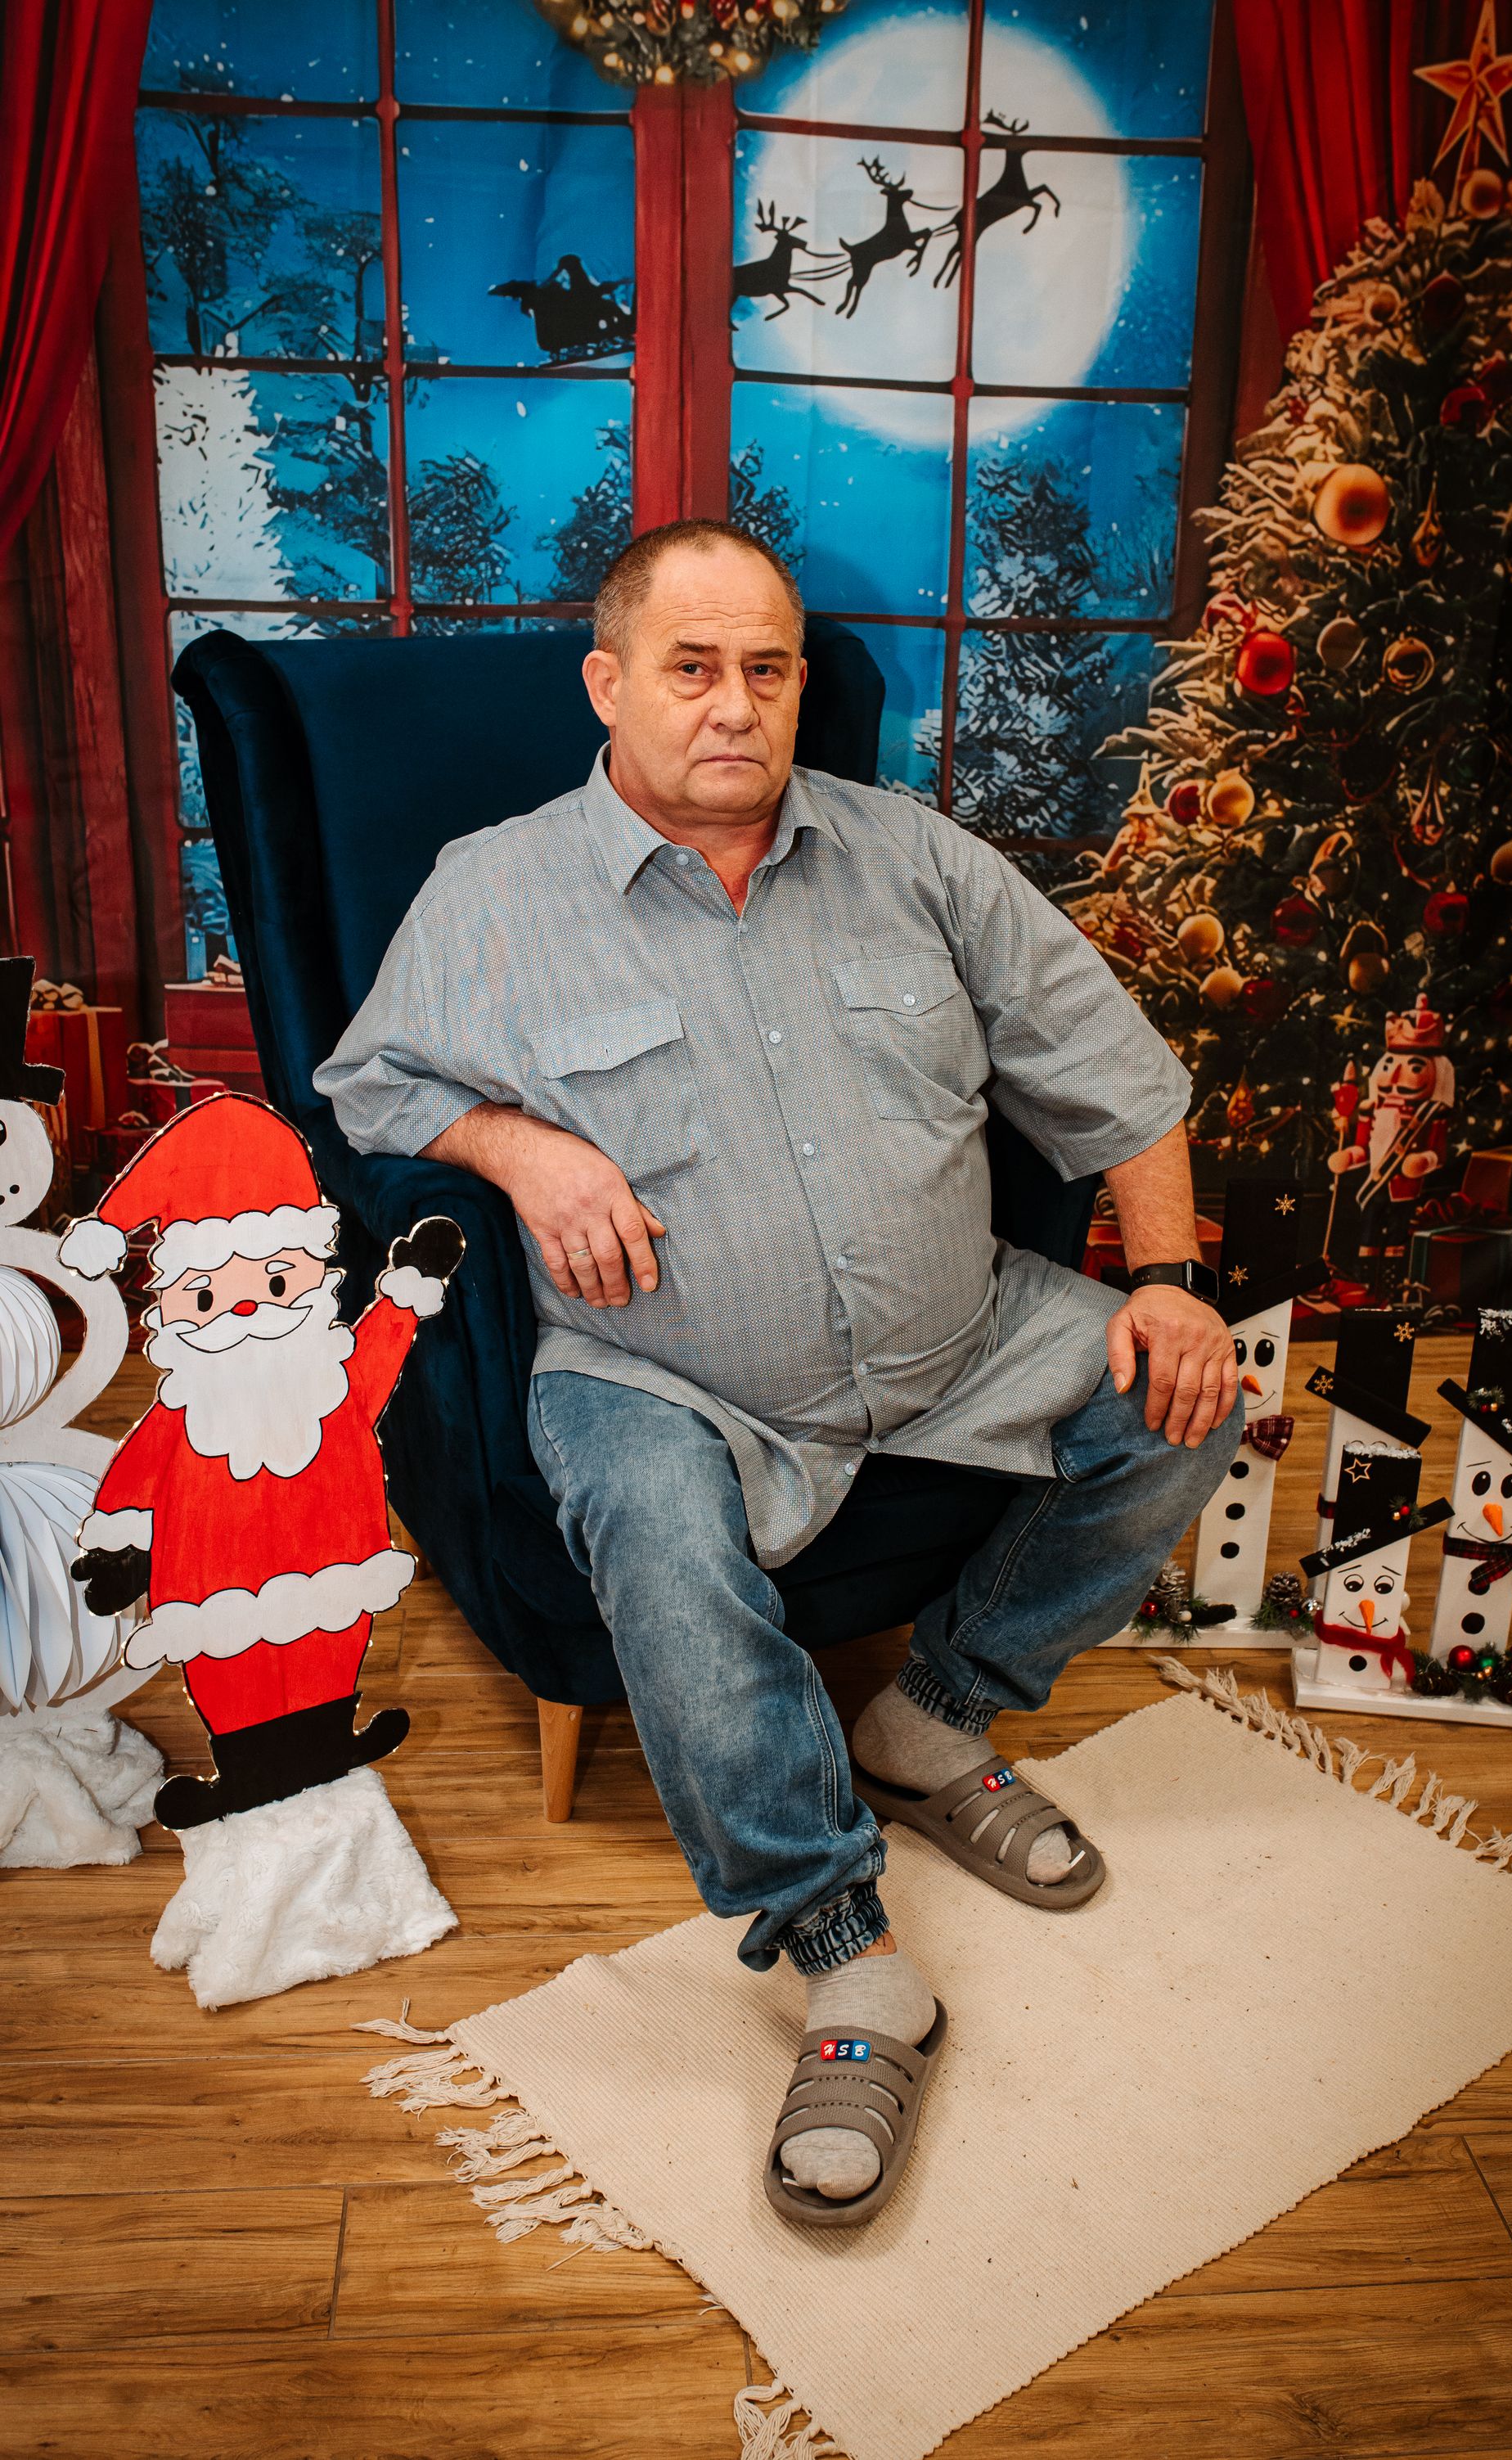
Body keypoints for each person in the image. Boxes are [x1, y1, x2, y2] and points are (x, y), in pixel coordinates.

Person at [318, 519, 1242, 2223]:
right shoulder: (494, 891)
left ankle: (932, 1714)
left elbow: (1117, 1072)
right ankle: (842, 1943)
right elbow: (369, 1090)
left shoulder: (916, 856)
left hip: (957, 1334)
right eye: (692, 667)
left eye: (766, 667)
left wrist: (1175, 1285)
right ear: (607, 685)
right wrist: (518, 1146)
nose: (734, 705)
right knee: (662, 1550)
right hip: (660, 1372)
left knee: (1192, 1401)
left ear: (801, 684)